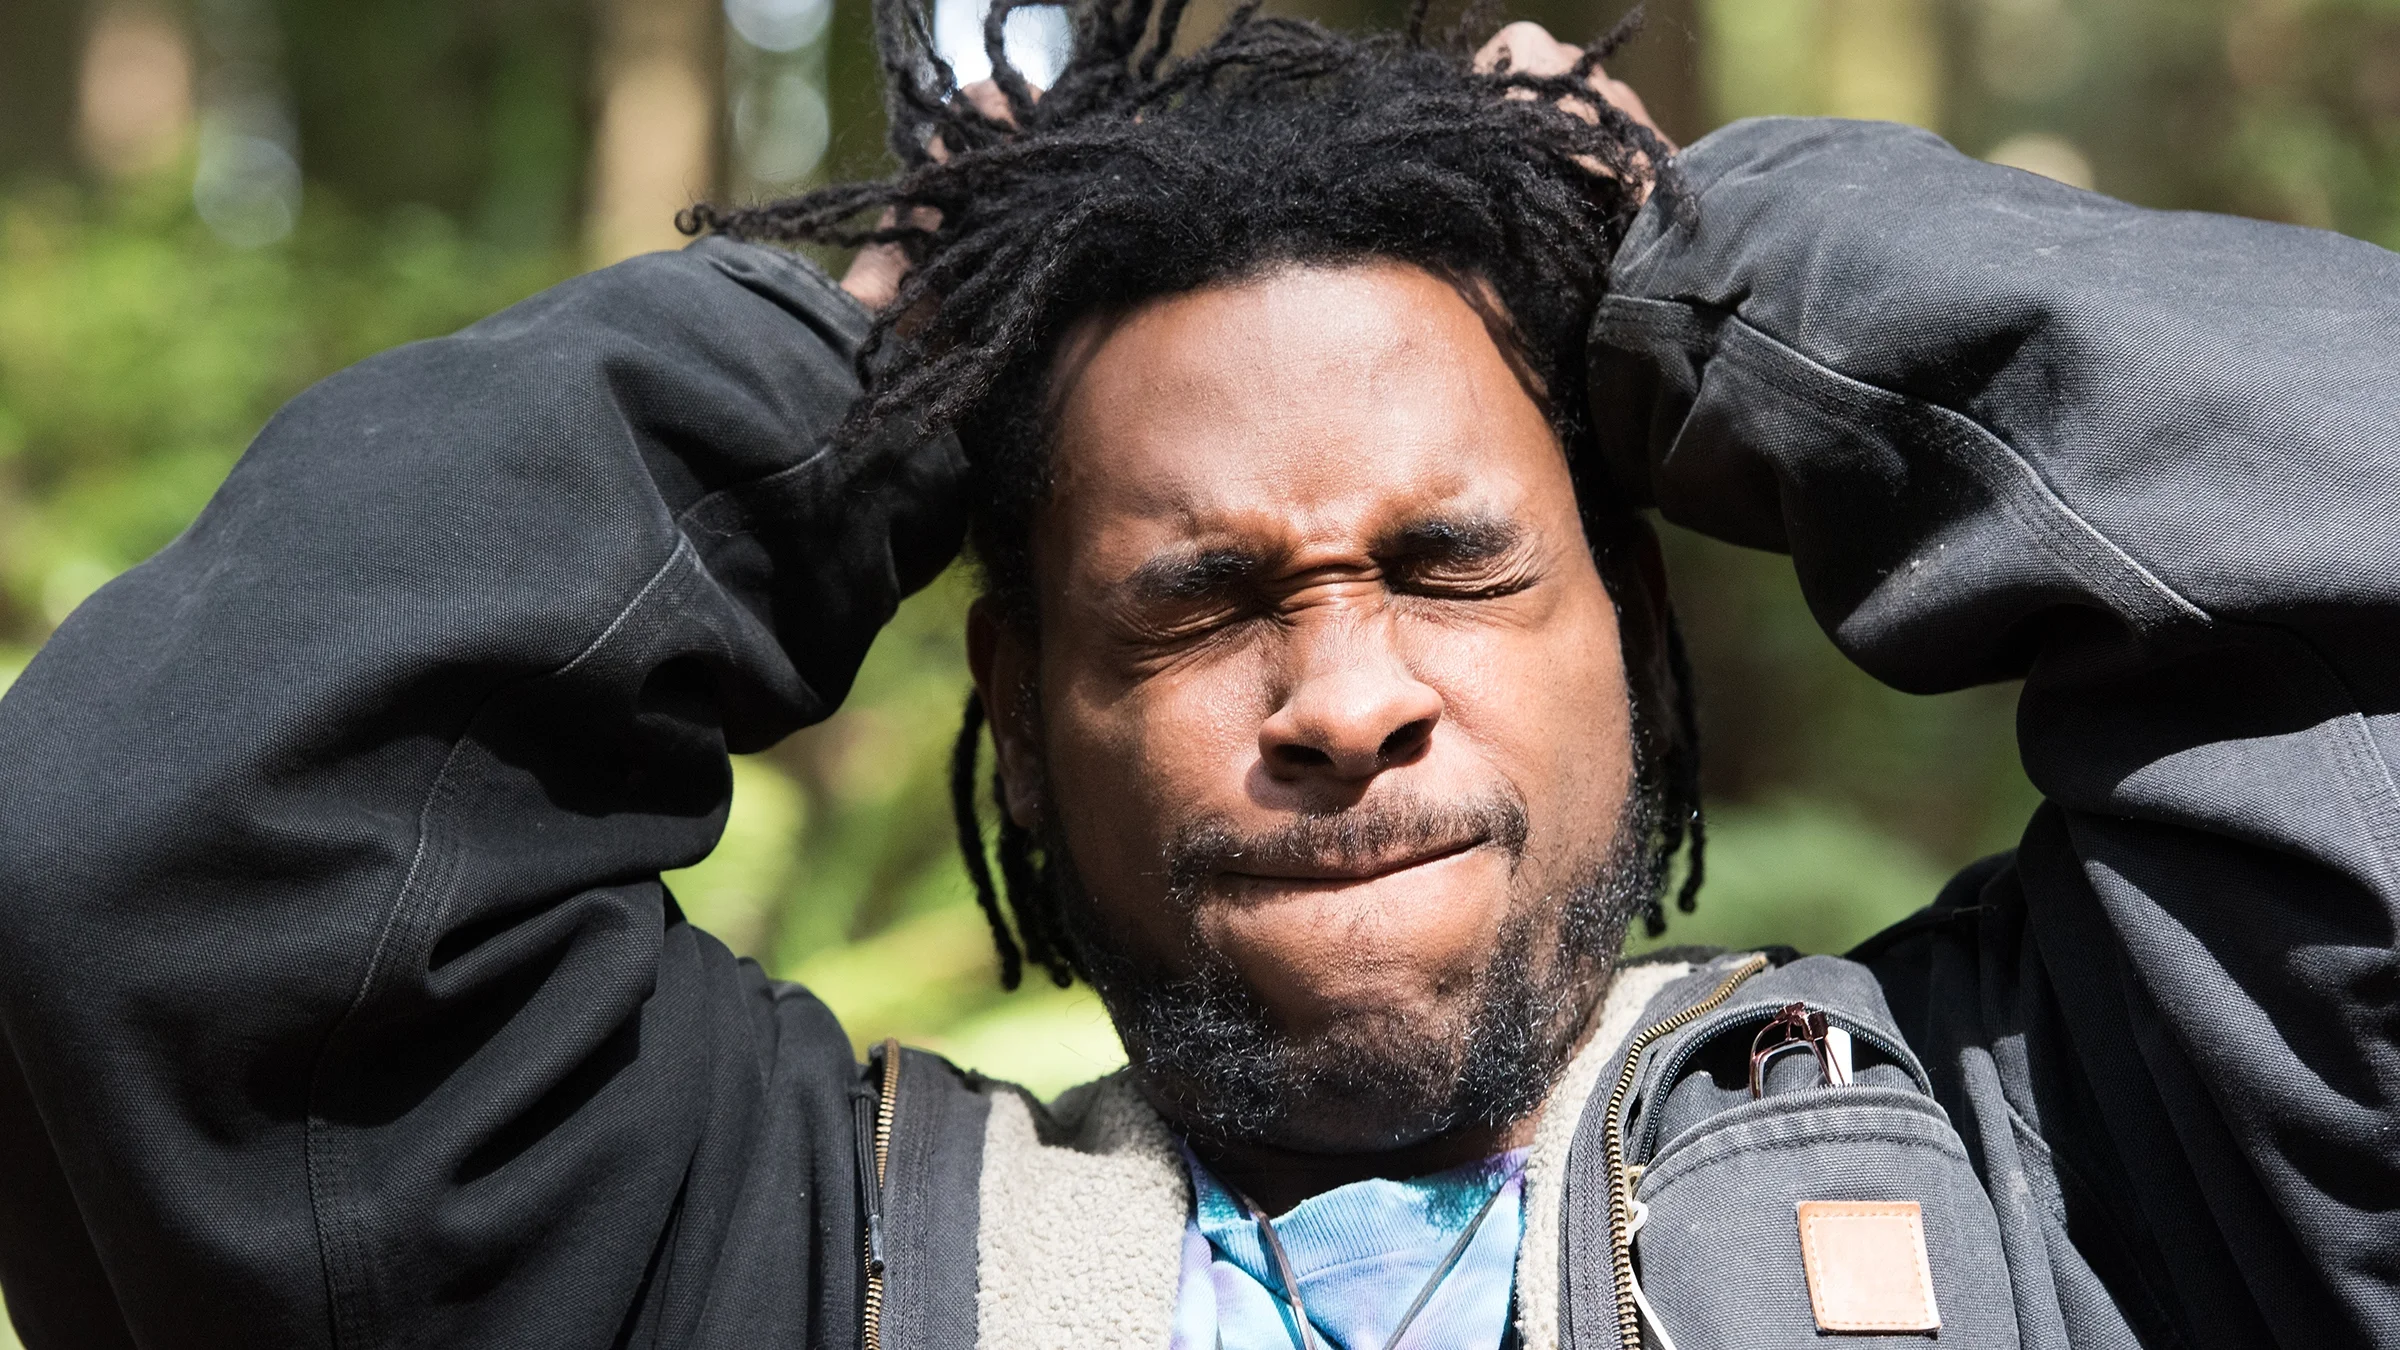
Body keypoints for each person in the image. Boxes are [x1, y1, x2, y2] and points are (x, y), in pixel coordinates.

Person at [2, 0, 2396, 1344]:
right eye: (1193, 603)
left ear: (1639, 666)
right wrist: (896, 352)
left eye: (1455, 568)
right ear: (1023, 742)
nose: (1343, 692)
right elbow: (161, 864)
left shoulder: (2102, 1161)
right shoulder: (748, 1272)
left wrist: (1698, 265)